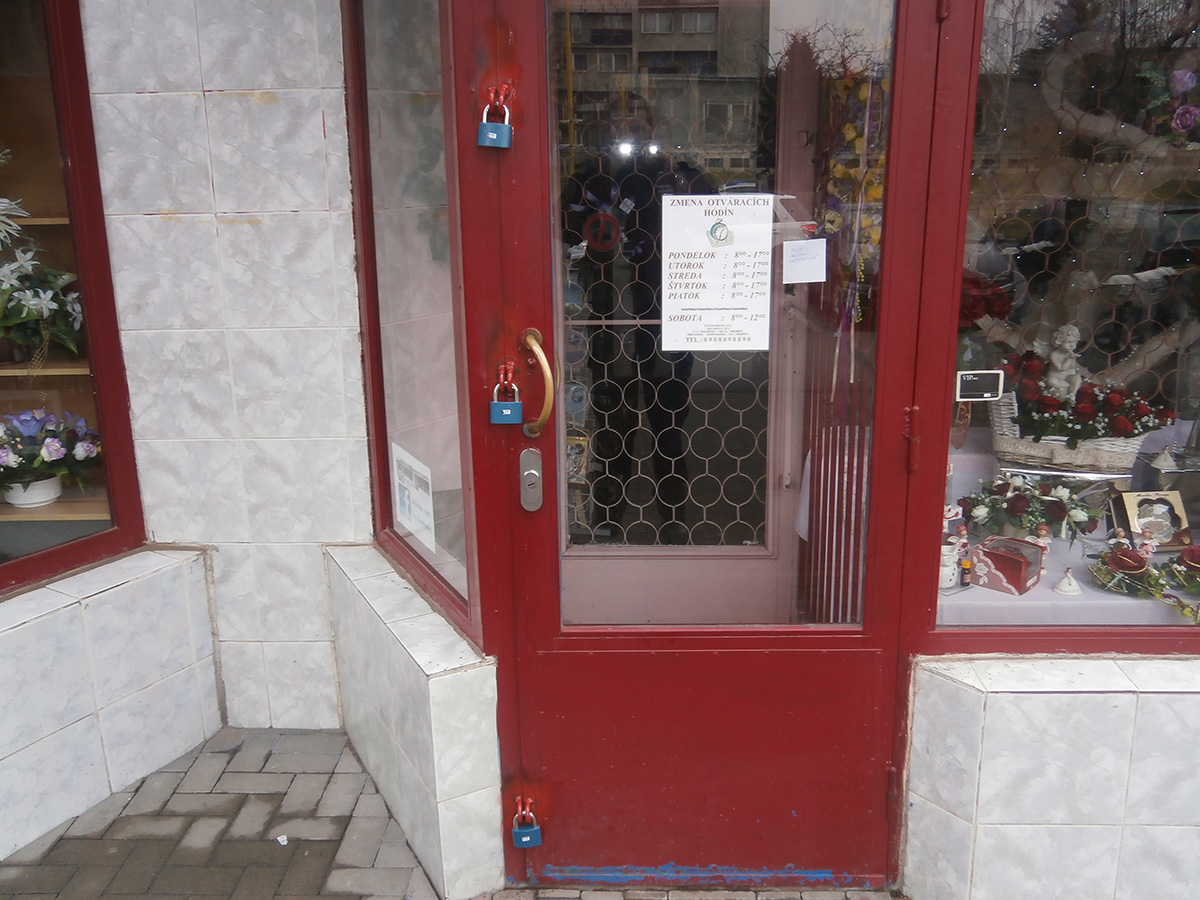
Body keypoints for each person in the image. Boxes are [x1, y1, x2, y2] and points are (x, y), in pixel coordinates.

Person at [1044, 323, 1084, 400]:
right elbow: (1061, 368)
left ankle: (1071, 396)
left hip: (1068, 376)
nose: (1072, 345)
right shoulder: (1054, 354)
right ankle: (1061, 397)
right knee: (1052, 381)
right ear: (1059, 341)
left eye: (1074, 342)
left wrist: (1072, 359)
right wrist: (1069, 359)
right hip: (1056, 376)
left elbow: (1072, 368)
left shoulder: (1071, 354)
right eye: (1069, 342)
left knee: (1076, 379)